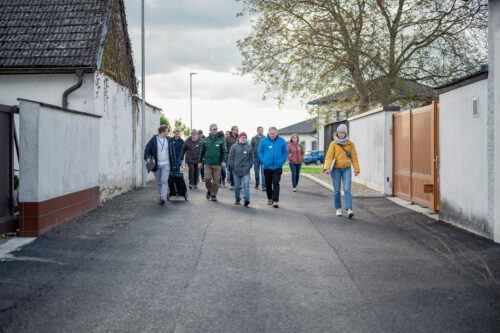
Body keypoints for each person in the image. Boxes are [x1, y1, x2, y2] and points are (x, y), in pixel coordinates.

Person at [323, 124, 360, 218]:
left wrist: (356, 169)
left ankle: (349, 209)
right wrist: (327, 168)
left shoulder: (350, 144)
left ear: (346, 133)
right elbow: (329, 157)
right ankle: (338, 208)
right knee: (337, 191)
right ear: (337, 133)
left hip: (346, 169)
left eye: (342, 133)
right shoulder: (333, 144)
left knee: (347, 189)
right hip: (335, 170)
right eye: (339, 132)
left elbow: (354, 157)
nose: (340, 134)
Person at [144, 126, 177, 205]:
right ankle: (161, 196)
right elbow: (147, 149)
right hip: (157, 164)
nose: (167, 133)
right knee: (159, 182)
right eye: (167, 131)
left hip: (166, 164)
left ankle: (163, 197)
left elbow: (173, 153)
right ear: (162, 132)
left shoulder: (168, 140)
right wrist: (147, 158)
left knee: (164, 181)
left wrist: (174, 164)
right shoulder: (154, 140)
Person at [258, 127, 288, 208]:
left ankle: (275, 200)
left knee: (276, 182)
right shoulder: (263, 141)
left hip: (277, 166)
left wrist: (281, 161)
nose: (272, 136)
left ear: (276, 133)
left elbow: (285, 152)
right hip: (267, 166)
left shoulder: (282, 141)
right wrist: (263, 160)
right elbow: (260, 151)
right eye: (270, 134)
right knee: (268, 183)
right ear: (268, 133)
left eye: (273, 134)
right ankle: (269, 198)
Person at [198, 124, 227, 201]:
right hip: (208, 163)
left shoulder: (221, 140)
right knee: (207, 179)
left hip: (217, 164)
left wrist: (224, 161)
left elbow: (224, 151)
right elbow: (202, 151)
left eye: (216, 129)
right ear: (210, 130)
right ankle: (210, 190)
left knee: (216, 181)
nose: (215, 131)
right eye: (213, 129)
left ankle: (213, 195)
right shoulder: (205, 140)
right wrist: (199, 161)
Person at [228, 132, 254, 207]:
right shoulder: (234, 147)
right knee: (236, 186)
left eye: (245, 138)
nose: (243, 139)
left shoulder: (249, 147)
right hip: (236, 170)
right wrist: (233, 166)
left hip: (246, 170)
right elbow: (230, 158)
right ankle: (237, 199)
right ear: (239, 138)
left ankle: (246, 199)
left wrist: (249, 166)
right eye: (242, 137)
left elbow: (251, 158)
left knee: (246, 185)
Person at [251, 126, 266, 191]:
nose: (261, 131)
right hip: (256, 157)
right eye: (259, 130)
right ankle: (257, 183)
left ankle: (263, 186)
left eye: (262, 130)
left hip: (263, 158)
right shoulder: (253, 138)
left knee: (263, 172)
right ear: (257, 131)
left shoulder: (265, 138)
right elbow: (251, 148)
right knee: (256, 172)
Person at [225, 126, 238, 190]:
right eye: (235, 130)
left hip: (238, 157)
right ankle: (232, 184)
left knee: (238, 171)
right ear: (232, 130)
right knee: (231, 171)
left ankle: (239, 183)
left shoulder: (239, 137)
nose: (237, 131)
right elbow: (225, 148)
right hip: (230, 157)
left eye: (237, 130)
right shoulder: (227, 138)